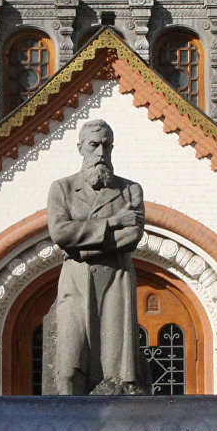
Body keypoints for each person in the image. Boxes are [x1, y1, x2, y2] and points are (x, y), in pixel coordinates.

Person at [46, 119, 145, 394]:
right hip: (76, 281)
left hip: (115, 281)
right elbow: (60, 233)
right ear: (80, 148)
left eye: (106, 145)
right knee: (69, 364)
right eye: (94, 145)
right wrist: (113, 222)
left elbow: (132, 236)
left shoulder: (129, 189)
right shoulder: (62, 189)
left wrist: (80, 247)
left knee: (115, 370)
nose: (101, 153)